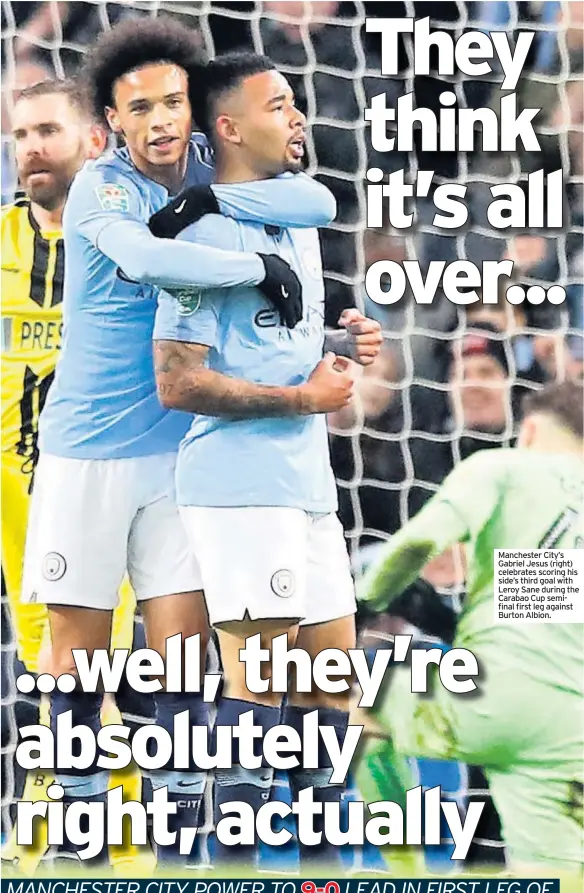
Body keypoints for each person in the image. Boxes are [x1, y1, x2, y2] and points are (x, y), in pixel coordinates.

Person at [20, 17, 337, 867]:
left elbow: (312, 197)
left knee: (185, 658)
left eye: (174, 103)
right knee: (75, 652)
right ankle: (78, 825)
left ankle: (175, 831)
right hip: (86, 449)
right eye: (140, 107)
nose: (161, 120)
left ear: (197, 112)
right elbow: (145, 256)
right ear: (109, 123)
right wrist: (250, 268)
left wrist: (210, 198)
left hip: (180, 450)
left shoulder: (208, 174)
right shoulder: (102, 188)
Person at [152, 51, 382, 868]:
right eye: (278, 105)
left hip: (306, 483)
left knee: (331, 688)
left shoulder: (294, 219)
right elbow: (177, 380)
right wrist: (302, 401)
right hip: (241, 486)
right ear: (228, 126)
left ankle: (326, 874)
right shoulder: (204, 232)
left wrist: (336, 345)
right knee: (259, 688)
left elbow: (260, 346)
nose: (297, 118)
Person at [1, 78, 152, 873]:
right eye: (19, 133)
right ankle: (40, 849)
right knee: (45, 673)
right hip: (17, 497)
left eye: (47, 130)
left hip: (107, 482)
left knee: (104, 666)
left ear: (93, 140)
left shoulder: (130, 244)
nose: (30, 147)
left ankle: (116, 854)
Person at [357, 379, 584, 875]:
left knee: (351, 706)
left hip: (490, 697)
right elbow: (542, 610)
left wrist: (366, 601)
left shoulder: (504, 467)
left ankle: (408, 874)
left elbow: (419, 543)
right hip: (570, 722)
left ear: (527, 432)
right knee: (556, 872)